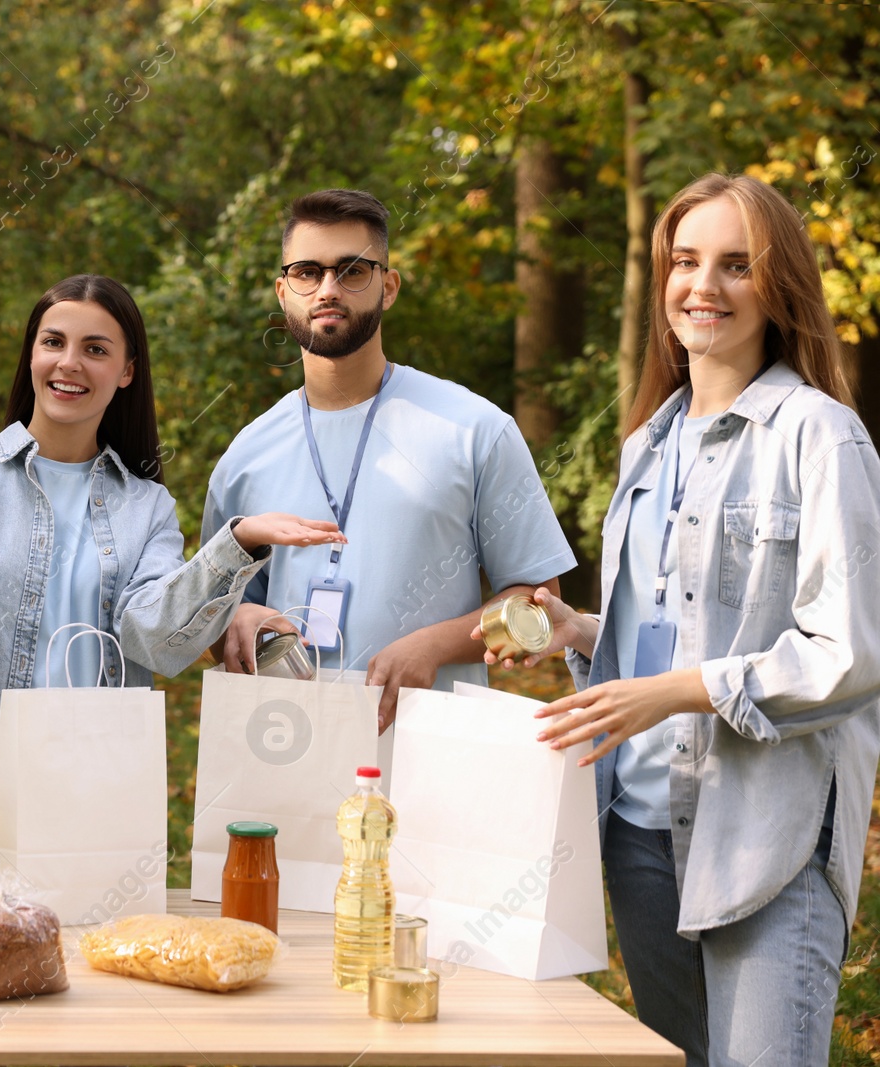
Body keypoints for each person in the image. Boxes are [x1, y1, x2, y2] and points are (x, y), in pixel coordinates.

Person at [503, 173, 880, 1067]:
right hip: (637, 829)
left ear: (779, 284)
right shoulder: (646, 445)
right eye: (685, 260)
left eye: (737, 264)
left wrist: (678, 691)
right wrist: (579, 631)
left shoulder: (821, 436)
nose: (703, 285)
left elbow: (852, 652)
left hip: (765, 839)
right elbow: (679, 627)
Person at [0, 273, 343, 859]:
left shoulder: (147, 505)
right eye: (53, 342)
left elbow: (155, 641)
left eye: (95, 349)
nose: (68, 364)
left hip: (102, 811)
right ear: (32, 354)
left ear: (127, 371)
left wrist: (237, 545)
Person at [204, 188, 576, 729]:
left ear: (389, 286)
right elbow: (208, 621)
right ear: (284, 291)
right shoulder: (246, 455)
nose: (328, 289)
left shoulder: (474, 429)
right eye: (308, 272)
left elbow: (539, 604)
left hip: (435, 757)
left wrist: (437, 645)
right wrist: (236, 618)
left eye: (353, 270)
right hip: (287, 751)